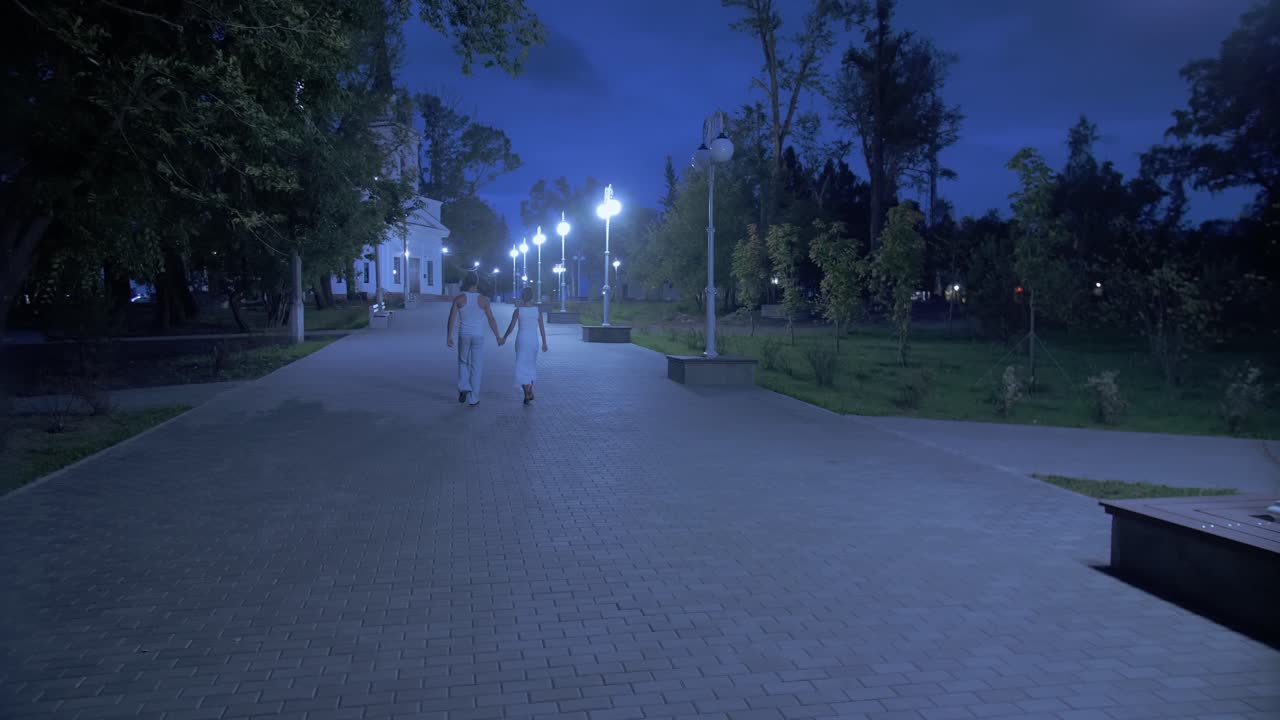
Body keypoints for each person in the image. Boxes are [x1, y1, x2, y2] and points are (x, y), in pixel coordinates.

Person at [446, 273, 503, 406]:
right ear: (477, 283)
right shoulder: (484, 300)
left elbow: (451, 319)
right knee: (476, 366)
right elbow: (491, 319)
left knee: (463, 362)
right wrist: (498, 337)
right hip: (478, 335)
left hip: (464, 334)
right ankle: (474, 398)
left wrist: (449, 336)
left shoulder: (459, 299)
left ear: (465, 282)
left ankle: (464, 386)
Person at [501, 286, 548, 405]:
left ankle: (526, 391)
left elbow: (511, 327)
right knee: (531, 364)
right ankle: (529, 389)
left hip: (521, 340)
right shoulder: (537, 311)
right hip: (533, 341)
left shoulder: (518, 311)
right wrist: (544, 342)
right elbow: (542, 328)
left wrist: (504, 337)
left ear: (523, 296)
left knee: (521, 366)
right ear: (532, 296)